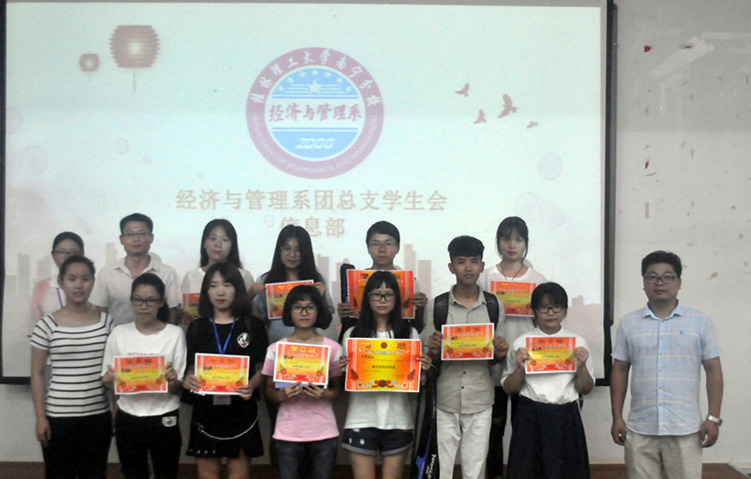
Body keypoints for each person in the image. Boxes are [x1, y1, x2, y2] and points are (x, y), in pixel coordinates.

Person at [610, 251, 723, 479]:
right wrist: (617, 417)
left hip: (685, 428)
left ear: (679, 283)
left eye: (667, 277)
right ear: (644, 282)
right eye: (652, 277)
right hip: (640, 428)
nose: (659, 282)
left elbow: (714, 372)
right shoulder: (629, 323)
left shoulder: (700, 322)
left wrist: (713, 418)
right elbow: (619, 371)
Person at [420, 236, 509, 479]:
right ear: (451, 267)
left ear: (482, 265)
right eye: (461, 262)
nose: (468, 268)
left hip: (480, 398)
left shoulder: (494, 305)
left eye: (474, 261)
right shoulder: (437, 306)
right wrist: (433, 352)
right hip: (445, 399)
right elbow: (428, 359)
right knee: (442, 470)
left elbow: (496, 357)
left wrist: (501, 353)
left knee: (475, 471)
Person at [339, 271, 431, 479]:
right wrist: (343, 369)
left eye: (388, 294)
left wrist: (422, 371)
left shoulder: (409, 334)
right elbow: (346, 381)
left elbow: (416, 383)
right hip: (360, 419)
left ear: (396, 298)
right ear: (367, 298)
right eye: (376, 294)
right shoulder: (353, 334)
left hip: (398, 419)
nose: (382, 300)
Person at [30, 255, 113, 479]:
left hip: (98, 416)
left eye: (85, 279)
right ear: (61, 281)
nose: (79, 285)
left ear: (93, 282)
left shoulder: (107, 322)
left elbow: (115, 372)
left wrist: (116, 410)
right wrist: (40, 417)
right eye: (72, 279)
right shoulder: (46, 325)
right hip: (58, 417)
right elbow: (37, 374)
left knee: (95, 474)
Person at [182, 262, 268, 479]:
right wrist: (188, 379)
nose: (220, 292)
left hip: (241, 411)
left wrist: (252, 385)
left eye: (227, 285)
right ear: (206, 291)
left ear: (237, 289)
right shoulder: (196, 327)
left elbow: (263, 367)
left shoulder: (253, 325)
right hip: (206, 412)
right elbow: (190, 368)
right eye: (213, 286)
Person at [501, 282, 593, 479]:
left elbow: (586, 389)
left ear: (565, 310)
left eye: (556, 307)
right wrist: (520, 368)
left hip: (566, 416)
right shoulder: (521, 343)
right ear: (534, 310)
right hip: (530, 416)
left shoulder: (578, 343)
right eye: (544, 307)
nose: (550, 313)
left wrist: (582, 367)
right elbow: (509, 389)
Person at [478, 217, 547, 479]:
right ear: (498, 242)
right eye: (506, 239)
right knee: (492, 430)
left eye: (518, 239)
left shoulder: (538, 280)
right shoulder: (486, 278)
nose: (512, 245)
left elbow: (546, 323)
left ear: (526, 243)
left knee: (523, 429)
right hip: (491, 367)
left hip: (525, 366)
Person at [102, 273, 187, 479]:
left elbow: (179, 385)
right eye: (138, 300)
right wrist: (109, 381)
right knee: (133, 473)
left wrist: (173, 381)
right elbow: (109, 380)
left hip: (164, 413)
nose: (144, 306)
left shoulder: (174, 334)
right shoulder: (118, 334)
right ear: (131, 300)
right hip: (128, 415)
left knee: (166, 474)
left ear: (161, 302)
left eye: (151, 300)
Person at [261, 285, 343, 479]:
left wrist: (326, 394)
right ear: (289, 311)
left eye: (310, 307)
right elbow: (269, 390)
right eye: (298, 307)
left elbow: (338, 389)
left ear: (318, 311)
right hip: (287, 432)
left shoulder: (333, 348)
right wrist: (281, 396)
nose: (304, 312)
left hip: (323, 432)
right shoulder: (276, 349)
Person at [337, 221, 428, 339]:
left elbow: (417, 326)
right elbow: (353, 323)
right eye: (375, 244)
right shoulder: (356, 281)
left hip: (397, 337)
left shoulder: (409, 281)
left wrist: (420, 309)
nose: (382, 249)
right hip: (365, 338)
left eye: (388, 243)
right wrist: (344, 314)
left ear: (398, 247)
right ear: (368, 248)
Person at [90, 213, 181, 325]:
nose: (136, 239)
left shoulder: (167, 273)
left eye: (142, 234)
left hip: (157, 335)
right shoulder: (107, 274)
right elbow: (100, 312)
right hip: (117, 334)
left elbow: (172, 313)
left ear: (151, 238)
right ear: (121, 239)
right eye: (130, 234)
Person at [252, 225, 334, 343]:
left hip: (309, 347)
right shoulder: (265, 280)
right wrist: (251, 295)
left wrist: (321, 298)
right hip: (275, 346)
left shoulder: (317, 280)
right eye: (287, 248)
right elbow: (258, 322)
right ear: (279, 250)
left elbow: (325, 323)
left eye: (298, 250)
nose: (292, 254)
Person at [181, 219, 256, 322]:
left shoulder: (243, 275)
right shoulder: (191, 276)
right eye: (213, 239)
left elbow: (250, 313)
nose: (218, 244)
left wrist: (250, 295)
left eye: (225, 239)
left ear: (232, 245)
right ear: (204, 243)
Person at [29, 232, 85, 335]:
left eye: (74, 252)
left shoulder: (93, 285)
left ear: (82, 255)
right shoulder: (42, 287)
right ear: (53, 255)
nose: (68, 257)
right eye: (62, 252)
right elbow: (35, 326)